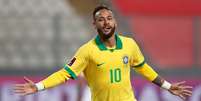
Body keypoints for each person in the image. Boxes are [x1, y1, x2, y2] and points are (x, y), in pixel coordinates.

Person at [14, 5, 192, 101]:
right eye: (100, 19)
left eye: (109, 18)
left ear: (115, 22)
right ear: (94, 25)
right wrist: (38, 86)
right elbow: (64, 74)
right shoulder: (87, 50)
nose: (106, 22)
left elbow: (143, 68)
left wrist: (168, 87)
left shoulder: (129, 45)